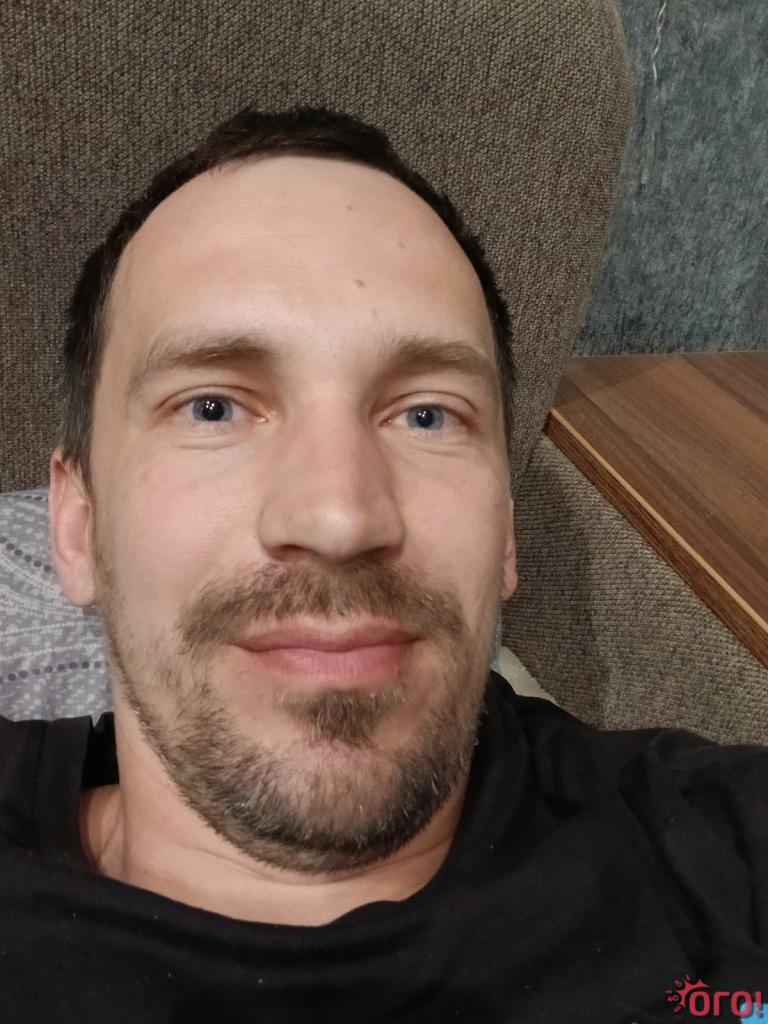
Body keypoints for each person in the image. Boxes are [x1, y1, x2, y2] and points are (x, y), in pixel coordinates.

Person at [1, 105, 766, 1023]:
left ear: (507, 530)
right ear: (77, 525)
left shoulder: (721, 859)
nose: (339, 518)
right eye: (213, 407)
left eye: (426, 414)